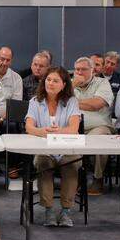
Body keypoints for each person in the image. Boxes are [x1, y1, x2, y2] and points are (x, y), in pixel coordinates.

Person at [27, 66, 83, 228]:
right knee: (42, 163)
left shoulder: (71, 102)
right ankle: (49, 210)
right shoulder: (35, 102)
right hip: (45, 149)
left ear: (64, 84)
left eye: (55, 81)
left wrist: (58, 132)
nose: (50, 83)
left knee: (72, 163)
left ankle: (66, 210)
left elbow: (74, 129)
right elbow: (29, 127)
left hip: (67, 148)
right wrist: (42, 132)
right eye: (48, 80)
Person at [72, 57, 114, 195]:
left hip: (98, 126)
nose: (79, 72)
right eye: (77, 69)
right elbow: (56, 100)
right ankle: (75, 178)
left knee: (98, 139)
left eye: (83, 69)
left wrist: (72, 101)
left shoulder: (102, 83)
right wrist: (71, 86)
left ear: (92, 71)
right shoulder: (69, 85)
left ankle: (98, 179)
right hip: (74, 127)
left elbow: (96, 104)